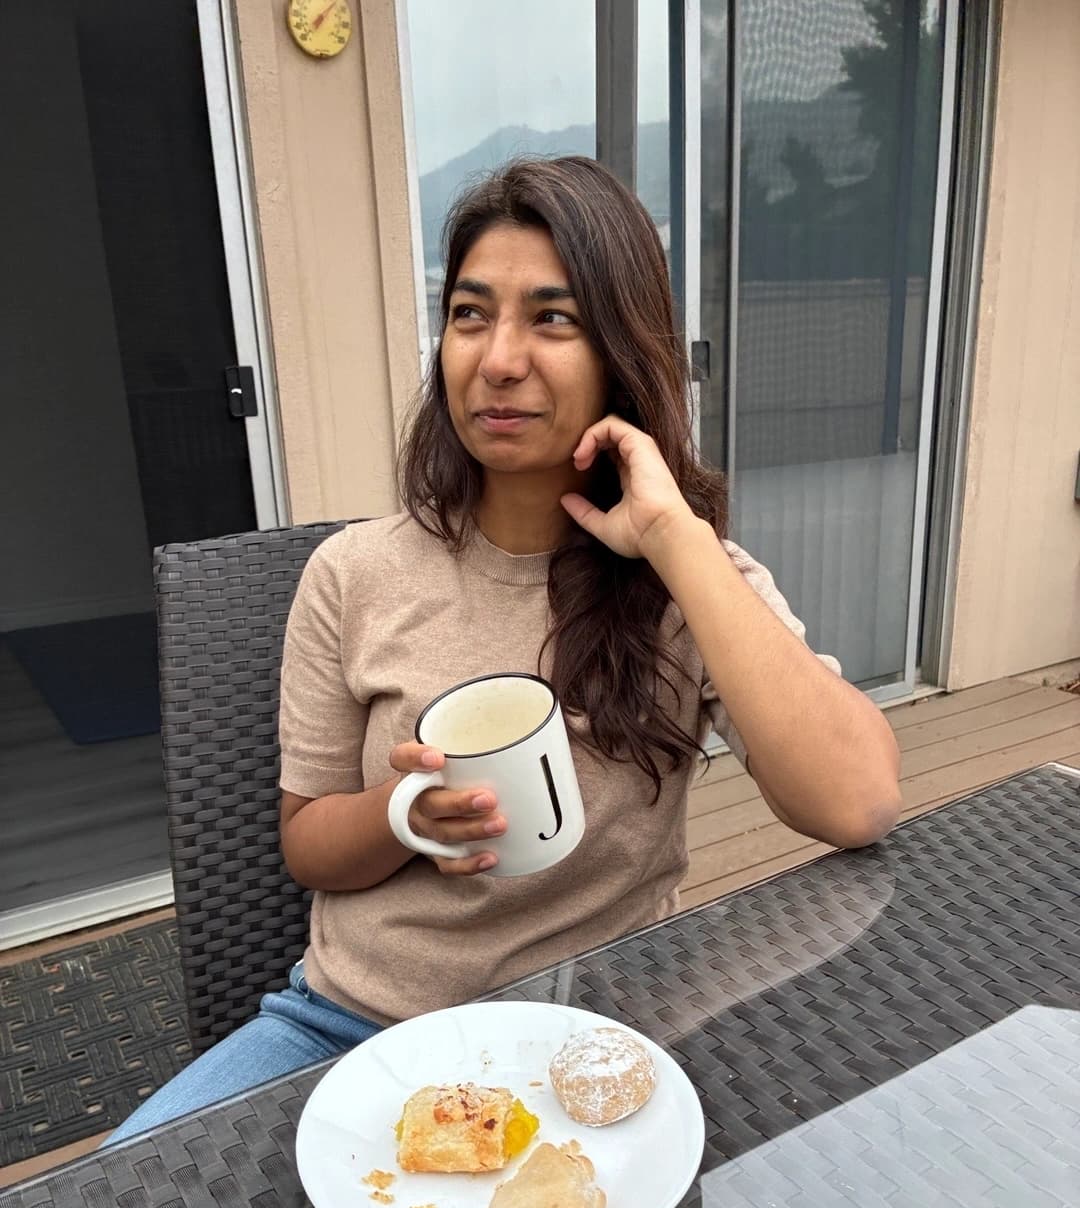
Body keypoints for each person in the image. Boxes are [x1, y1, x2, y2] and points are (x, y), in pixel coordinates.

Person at [106, 156, 900, 1145]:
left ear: (622, 352)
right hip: (347, 1027)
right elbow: (306, 842)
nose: (500, 358)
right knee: (118, 1194)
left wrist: (677, 541)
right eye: (471, 314)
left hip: (596, 1032)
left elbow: (858, 802)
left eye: (553, 320)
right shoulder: (355, 574)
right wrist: (407, 812)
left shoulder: (690, 580)